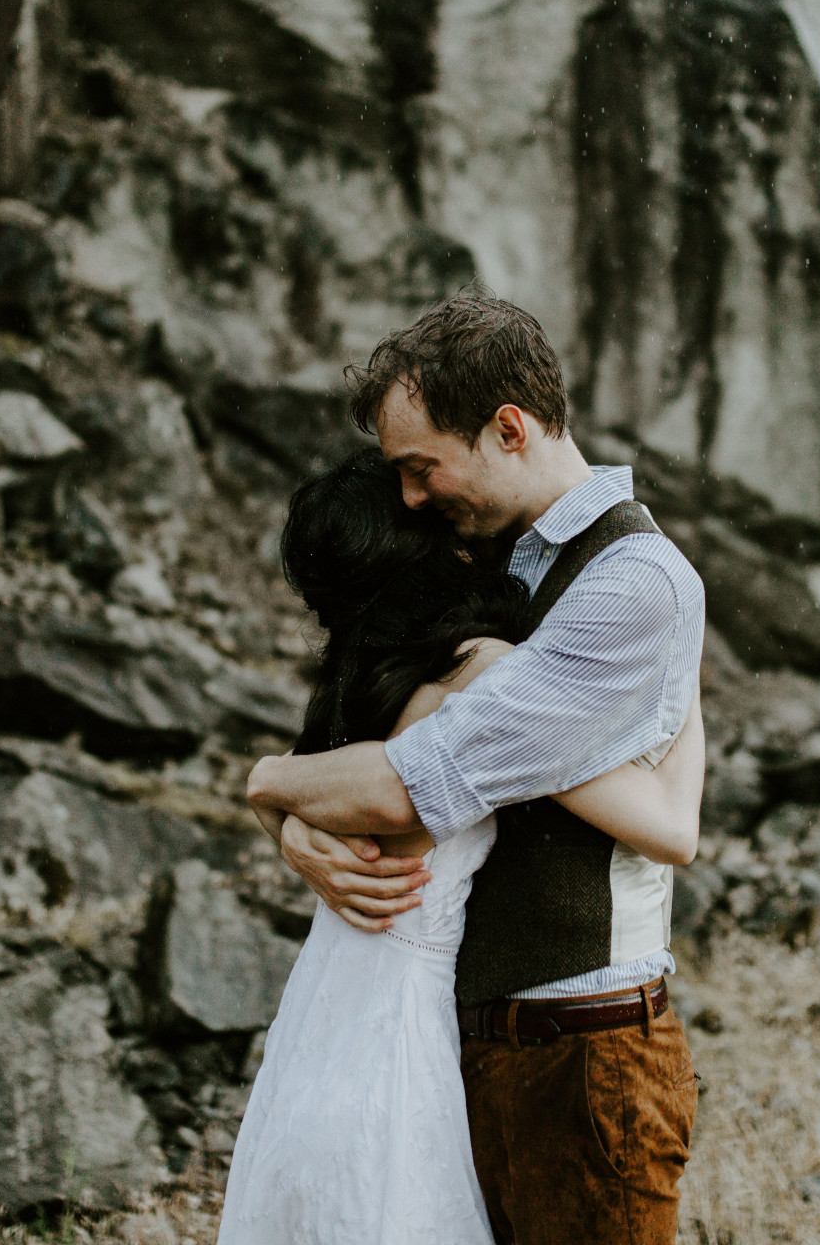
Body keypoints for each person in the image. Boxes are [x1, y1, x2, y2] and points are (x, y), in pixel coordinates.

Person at [244, 291, 707, 1245]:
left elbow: (414, 784)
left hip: (584, 1052)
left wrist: (267, 786)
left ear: (509, 428)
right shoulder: (485, 565)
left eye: (422, 468)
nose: (410, 497)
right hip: (469, 1037)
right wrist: (291, 818)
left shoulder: (631, 582)